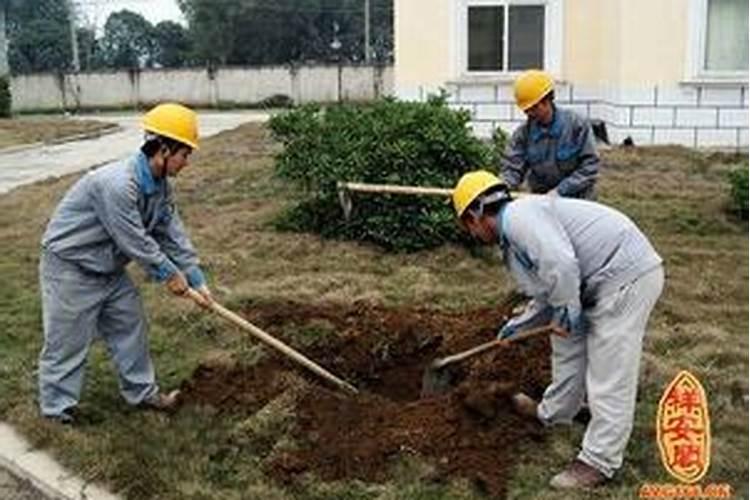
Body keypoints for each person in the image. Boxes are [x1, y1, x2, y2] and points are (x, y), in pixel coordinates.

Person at [452, 170, 664, 489]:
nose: (473, 235)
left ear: (474, 216)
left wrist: (567, 308)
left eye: (468, 227)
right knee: (565, 345)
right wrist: (516, 327)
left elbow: (561, 264)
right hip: (589, 281)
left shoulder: (521, 217)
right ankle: (553, 413)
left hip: (624, 277)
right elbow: (547, 291)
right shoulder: (516, 234)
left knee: (609, 369)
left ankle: (598, 461)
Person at [38, 103, 212, 424]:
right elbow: (133, 240)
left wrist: (196, 277)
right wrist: (169, 274)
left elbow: (172, 233)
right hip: (71, 269)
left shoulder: (160, 187)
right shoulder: (117, 184)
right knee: (68, 341)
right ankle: (56, 411)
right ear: (162, 148)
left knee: (131, 327)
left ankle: (143, 394)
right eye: (184, 154)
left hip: (109, 270)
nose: (187, 162)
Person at [501, 69, 600, 199]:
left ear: (547, 100)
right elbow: (512, 168)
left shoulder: (577, 125)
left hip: (578, 200)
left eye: (534, 108)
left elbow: (590, 166)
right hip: (543, 201)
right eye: (526, 110)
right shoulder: (523, 134)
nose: (530, 114)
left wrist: (561, 190)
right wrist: (502, 188)